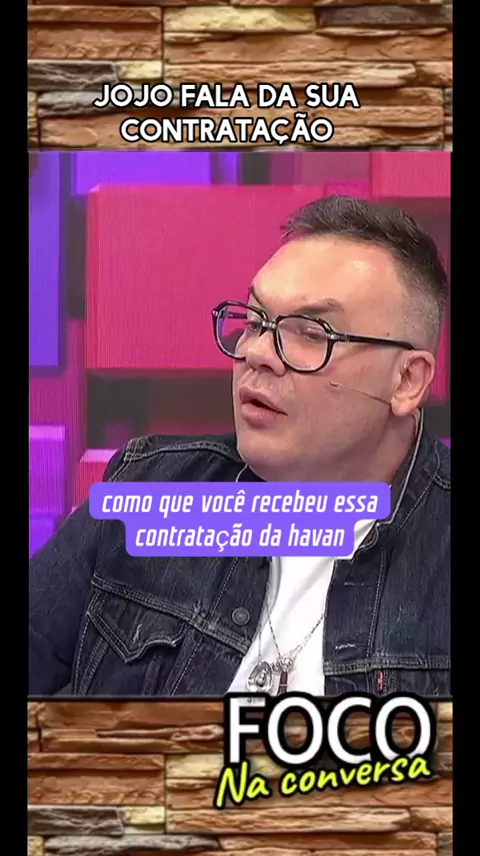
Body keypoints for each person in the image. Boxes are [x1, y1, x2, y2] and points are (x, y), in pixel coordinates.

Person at [29, 195, 450, 698]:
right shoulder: (151, 487)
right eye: (254, 321)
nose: (255, 353)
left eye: (311, 333)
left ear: (407, 380)